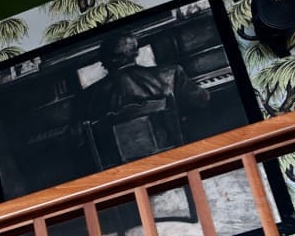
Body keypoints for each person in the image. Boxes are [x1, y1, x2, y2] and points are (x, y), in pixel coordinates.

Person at [79, 30, 209, 164]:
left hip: (122, 170)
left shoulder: (86, 97)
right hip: (172, 157)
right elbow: (201, 99)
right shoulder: (171, 73)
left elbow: (80, 139)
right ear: (136, 52)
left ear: (104, 61)